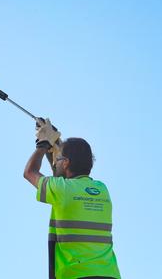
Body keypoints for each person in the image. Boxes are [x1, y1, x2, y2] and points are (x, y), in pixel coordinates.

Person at [23, 118, 121, 279]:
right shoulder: (102, 190)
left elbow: (30, 172)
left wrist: (43, 144)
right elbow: (62, 180)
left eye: (59, 159)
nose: (56, 161)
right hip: (109, 275)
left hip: (76, 275)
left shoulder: (62, 191)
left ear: (67, 163)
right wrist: (55, 149)